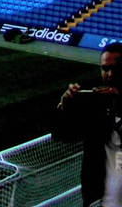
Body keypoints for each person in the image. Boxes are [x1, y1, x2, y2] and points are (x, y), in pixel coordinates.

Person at [55, 42, 122, 206]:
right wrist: (65, 106)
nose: (110, 74)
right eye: (105, 69)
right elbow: (62, 135)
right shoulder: (95, 103)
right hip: (99, 196)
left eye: (117, 68)